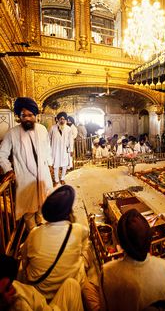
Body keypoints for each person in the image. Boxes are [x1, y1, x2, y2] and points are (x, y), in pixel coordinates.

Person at [20, 185, 90, 301]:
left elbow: (24, 260)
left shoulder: (34, 233)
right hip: (69, 292)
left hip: (39, 292)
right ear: (68, 211)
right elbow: (83, 248)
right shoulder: (78, 230)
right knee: (84, 256)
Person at [101, 209, 165, 311]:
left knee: (87, 288)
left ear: (121, 243)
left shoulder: (107, 271)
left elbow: (105, 307)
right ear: (149, 238)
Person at [0, 97, 53, 231]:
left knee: (43, 203)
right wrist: (8, 169)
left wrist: (50, 164)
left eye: (30, 115)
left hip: (42, 174)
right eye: (24, 115)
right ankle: (33, 234)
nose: (28, 118)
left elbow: (47, 149)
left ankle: (41, 224)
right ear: (19, 116)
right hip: (25, 177)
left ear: (35, 115)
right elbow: (2, 154)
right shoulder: (12, 133)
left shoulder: (42, 129)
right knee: (29, 210)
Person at [0, 254, 84, 311]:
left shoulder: (15, 286)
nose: (12, 290)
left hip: (46, 306)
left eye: (9, 285)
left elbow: (24, 261)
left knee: (71, 283)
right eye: (1, 296)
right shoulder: (15, 303)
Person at [49, 112, 73, 186]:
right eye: (60, 119)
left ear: (65, 120)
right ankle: (56, 180)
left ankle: (62, 179)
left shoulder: (68, 129)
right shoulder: (53, 128)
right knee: (56, 165)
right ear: (58, 120)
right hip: (55, 149)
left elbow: (71, 140)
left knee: (64, 165)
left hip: (64, 150)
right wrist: (48, 149)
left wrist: (71, 149)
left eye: (63, 119)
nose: (62, 120)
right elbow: (48, 139)